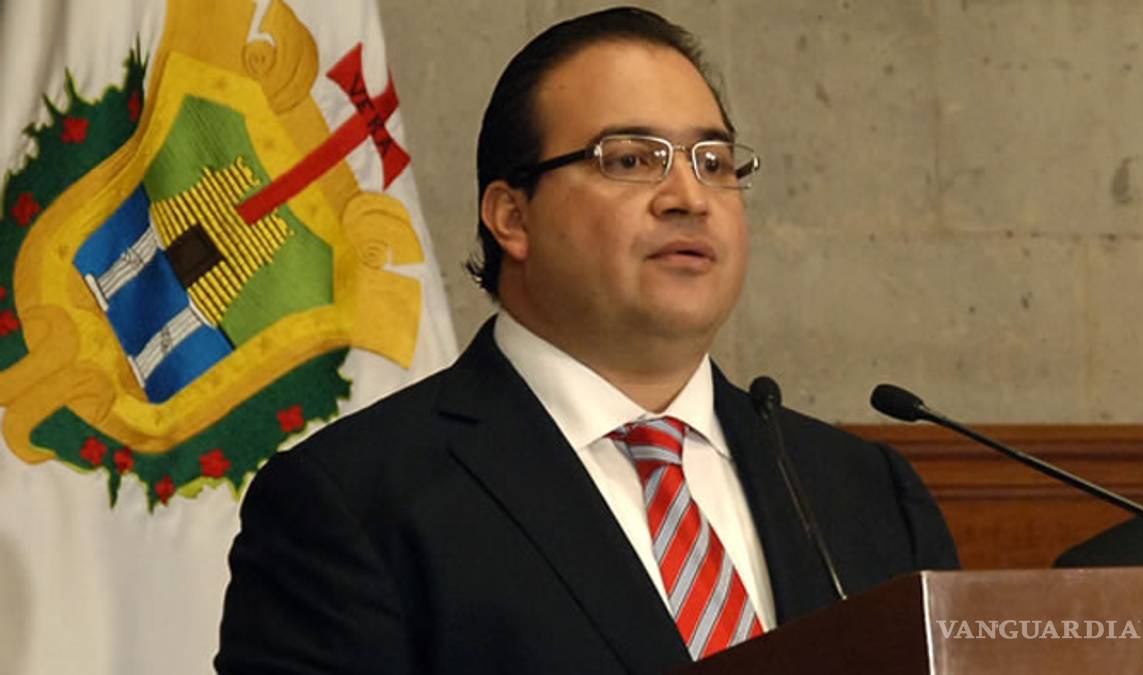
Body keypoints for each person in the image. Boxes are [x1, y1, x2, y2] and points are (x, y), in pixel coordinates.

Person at [215, 7, 958, 674]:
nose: (689, 197)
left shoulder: (866, 493)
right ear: (512, 217)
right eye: (630, 160)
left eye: (713, 162)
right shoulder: (354, 502)